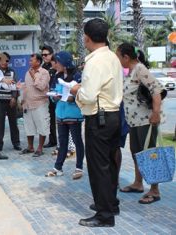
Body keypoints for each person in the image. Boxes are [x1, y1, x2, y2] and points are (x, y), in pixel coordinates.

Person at [71, 18, 123, 227]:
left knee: (98, 167)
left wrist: (76, 91)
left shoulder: (94, 61)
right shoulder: (112, 57)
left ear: (87, 37)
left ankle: (104, 215)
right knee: (109, 164)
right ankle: (110, 204)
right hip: (113, 115)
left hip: (98, 118)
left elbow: (89, 95)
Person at [116, 42, 164, 204]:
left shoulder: (140, 69)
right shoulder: (130, 72)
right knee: (137, 152)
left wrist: (156, 113)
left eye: (118, 56)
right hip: (134, 121)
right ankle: (138, 183)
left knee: (149, 154)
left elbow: (156, 91)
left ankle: (154, 190)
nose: (117, 60)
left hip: (146, 120)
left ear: (126, 57)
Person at [45, 51, 85, 180]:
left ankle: (79, 167)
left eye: (56, 62)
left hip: (73, 114)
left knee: (77, 141)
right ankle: (58, 168)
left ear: (64, 63)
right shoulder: (57, 76)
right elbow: (54, 92)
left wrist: (72, 99)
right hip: (60, 113)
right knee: (62, 142)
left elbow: (82, 94)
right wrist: (54, 97)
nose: (54, 64)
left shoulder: (78, 76)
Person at [20, 53, 50, 157]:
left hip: (40, 104)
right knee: (29, 127)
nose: (29, 62)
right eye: (29, 60)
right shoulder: (28, 72)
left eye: (31, 60)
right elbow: (26, 87)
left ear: (38, 62)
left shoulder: (44, 73)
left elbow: (41, 87)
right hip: (27, 104)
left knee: (42, 126)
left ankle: (40, 148)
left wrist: (34, 77)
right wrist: (22, 99)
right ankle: (30, 147)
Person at [0, 52, 21, 151]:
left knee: (13, 123)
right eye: (2, 60)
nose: (4, 62)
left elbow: (15, 86)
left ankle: (16, 143)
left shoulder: (12, 72)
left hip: (10, 101)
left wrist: (14, 98)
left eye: (7, 61)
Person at [42, 45, 57, 148]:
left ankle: (64, 143)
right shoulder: (43, 67)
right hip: (48, 97)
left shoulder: (58, 65)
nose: (44, 56)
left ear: (51, 54)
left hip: (58, 97)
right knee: (50, 119)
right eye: (42, 55)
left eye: (46, 54)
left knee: (60, 120)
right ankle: (52, 140)